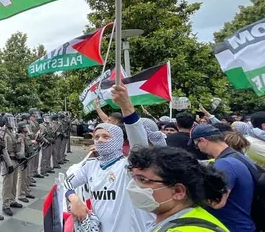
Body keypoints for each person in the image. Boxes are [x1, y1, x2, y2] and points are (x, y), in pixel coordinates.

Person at [64, 84, 155, 232]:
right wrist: (73, 198)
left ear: (118, 140)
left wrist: (127, 107)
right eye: (97, 136)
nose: (100, 140)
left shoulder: (128, 166)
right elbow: (66, 182)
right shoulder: (90, 166)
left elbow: (140, 145)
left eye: (106, 136)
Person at [127, 146, 229, 232]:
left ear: (178, 191)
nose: (133, 186)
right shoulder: (187, 219)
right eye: (134, 178)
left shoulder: (186, 229)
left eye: (143, 180)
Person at [189, 124, 257, 232]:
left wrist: (189, 193)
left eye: (197, 145)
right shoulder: (237, 157)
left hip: (233, 227)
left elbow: (217, 202)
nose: (199, 149)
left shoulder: (224, 164)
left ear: (203, 141)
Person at [0, 113, 22, 216]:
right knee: (7, 184)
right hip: (8, 160)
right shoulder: (3, 133)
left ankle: (12, 200)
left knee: (14, 182)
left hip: (15, 159)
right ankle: (6, 205)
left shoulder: (13, 131)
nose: (12, 122)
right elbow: (3, 149)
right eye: (10, 120)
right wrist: (9, 164)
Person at [27, 109, 43, 179]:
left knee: (36, 159)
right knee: (32, 160)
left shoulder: (36, 123)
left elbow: (39, 130)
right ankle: (30, 176)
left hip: (37, 142)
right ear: (31, 116)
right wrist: (35, 134)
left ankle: (35, 172)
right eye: (34, 116)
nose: (35, 117)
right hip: (32, 142)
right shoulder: (29, 123)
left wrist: (39, 135)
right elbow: (29, 134)